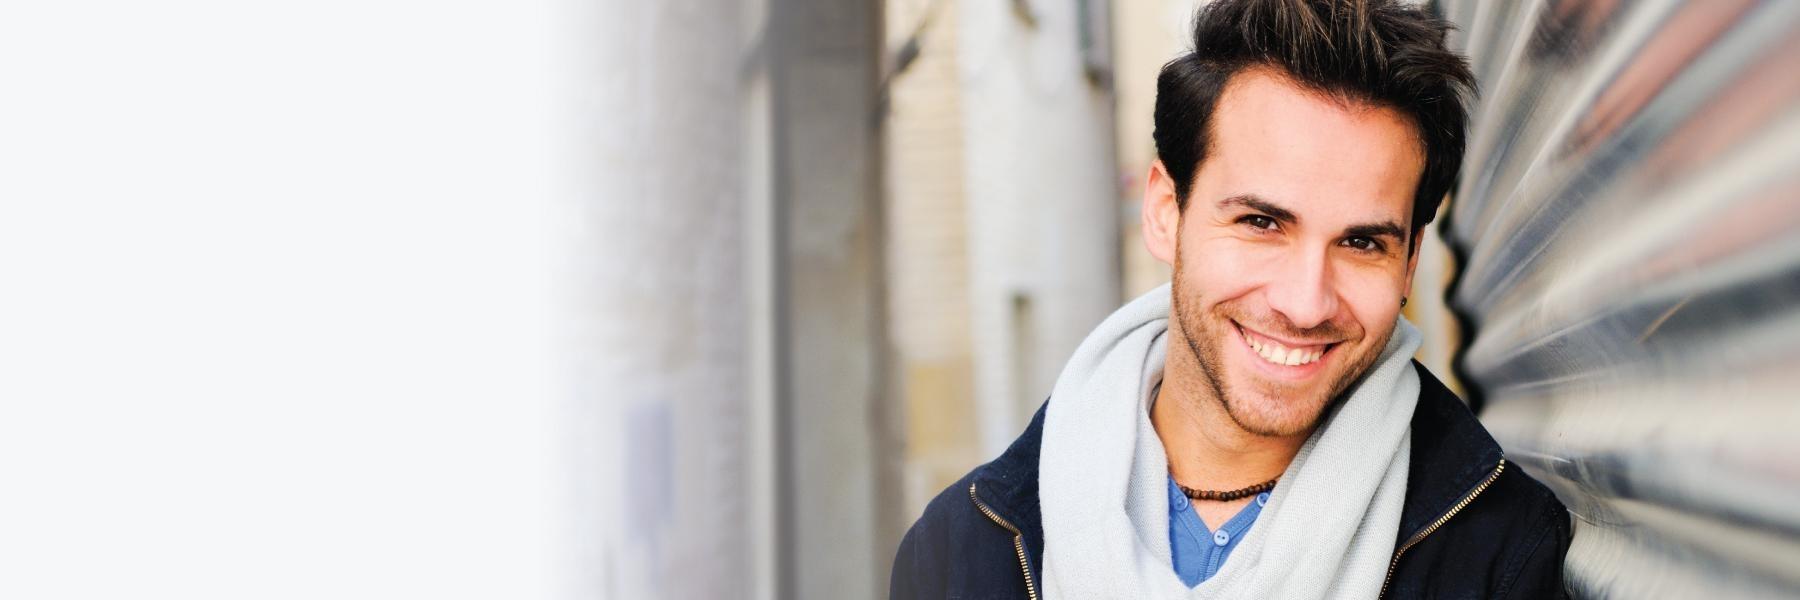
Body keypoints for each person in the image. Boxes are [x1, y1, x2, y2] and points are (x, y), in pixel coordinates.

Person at [888, 0, 1571, 597]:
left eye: (1362, 243)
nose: (1306, 305)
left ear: (1410, 261)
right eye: (1262, 223)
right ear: (1165, 210)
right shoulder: (961, 551)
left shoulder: (1502, 553)